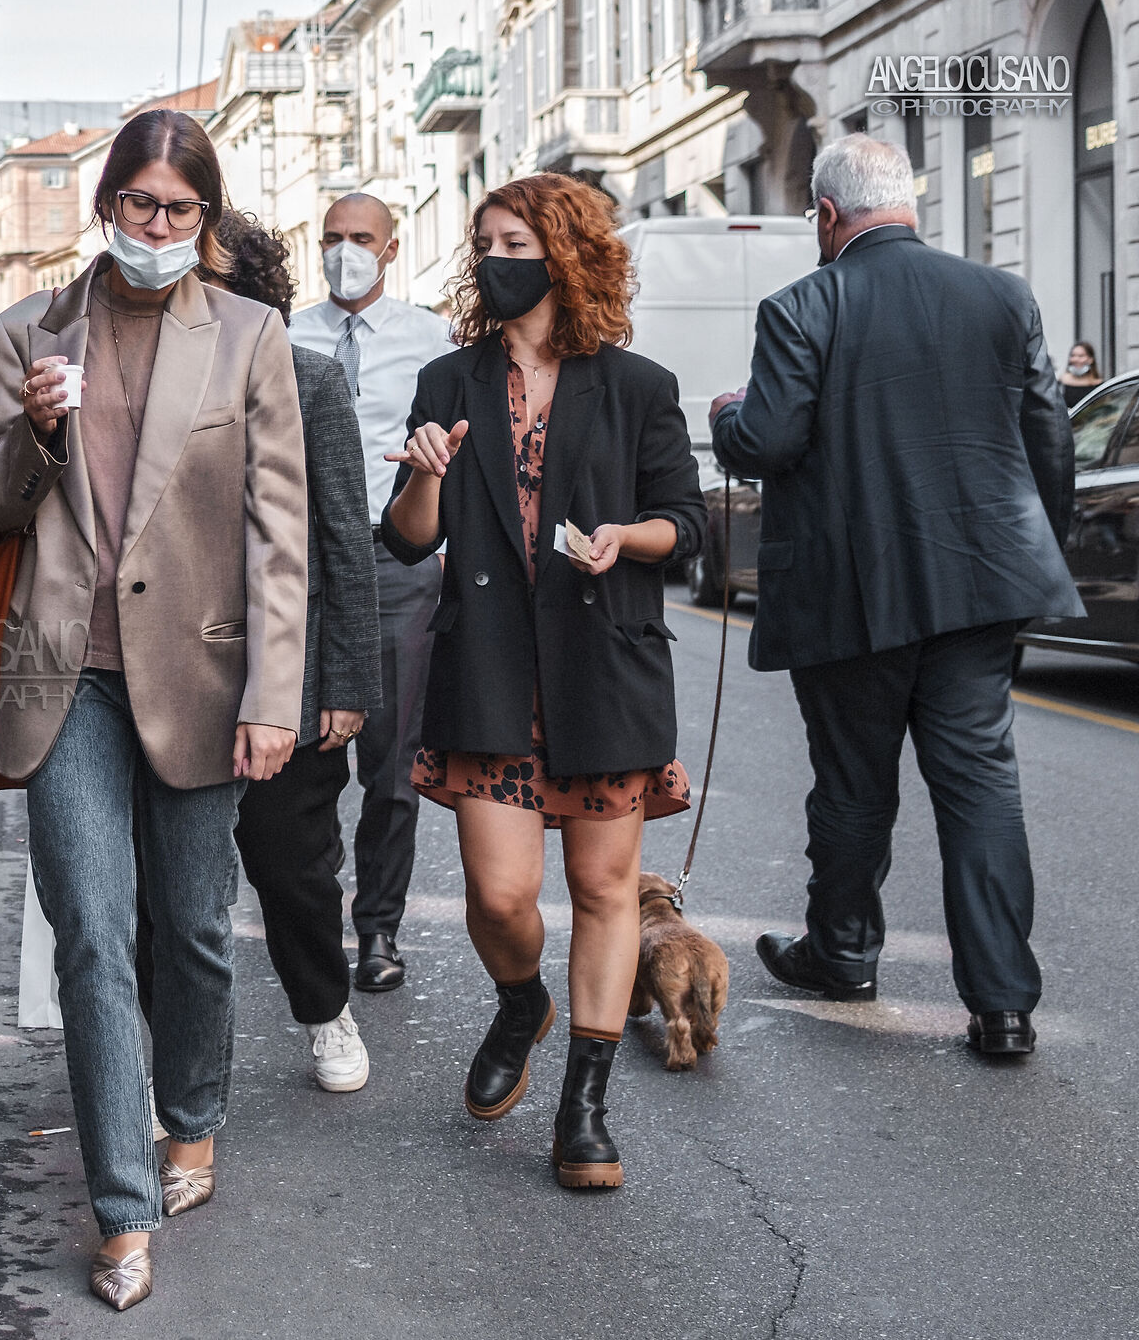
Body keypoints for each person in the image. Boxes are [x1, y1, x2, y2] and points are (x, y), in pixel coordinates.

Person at [0, 109, 307, 1310]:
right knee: (95, 935)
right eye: (139, 205)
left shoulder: (251, 336)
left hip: (203, 677)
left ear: (204, 219)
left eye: (180, 210)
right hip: (68, 678)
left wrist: (277, 694)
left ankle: (193, 1118)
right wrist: (37, 430)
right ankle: (122, 1205)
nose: (157, 228)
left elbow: (280, 535)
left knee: (198, 930)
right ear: (104, 206)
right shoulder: (29, 330)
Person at [709, 134, 1080, 1058]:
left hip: (851, 598)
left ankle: (843, 953)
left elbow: (768, 439)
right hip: (980, 587)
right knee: (981, 788)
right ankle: (1002, 1005)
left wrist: (725, 415)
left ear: (826, 216)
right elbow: (1049, 441)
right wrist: (1035, 559)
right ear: (908, 205)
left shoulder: (804, 305)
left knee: (851, 787)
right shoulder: (1003, 295)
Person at [382, 173, 705, 1192]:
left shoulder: (638, 386)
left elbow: (684, 525)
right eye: (485, 241)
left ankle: (586, 1104)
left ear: (563, 253)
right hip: (488, 666)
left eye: (513, 238)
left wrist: (626, 535)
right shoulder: (450, 381)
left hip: (603, 662)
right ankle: (522, 1001)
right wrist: (427, 469)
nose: (493, 256)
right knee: (499, 892)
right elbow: (404, 538)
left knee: (605, 889)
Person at [146, 210, 380, 1096]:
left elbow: (343, 538)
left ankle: (327, 1011)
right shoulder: (152, 382)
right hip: (176, 668)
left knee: (293, 869)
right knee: (170, 879)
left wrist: (348, 679)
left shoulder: (312, 381)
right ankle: (174, 1047)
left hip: (292, 672)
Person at [287, 192, 456, 994]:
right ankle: (312, 913)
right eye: (331, 238)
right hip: (307, 568)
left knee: (391, 764)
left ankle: (379, 927)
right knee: (308, 752)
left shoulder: (431, 341)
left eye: (360, 238)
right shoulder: (285, 335)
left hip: (397, 562)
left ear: (392, 249)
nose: (344, 251)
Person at [1060, 340, 1102, 409]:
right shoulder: (1061, 383)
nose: (1076, 359)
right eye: (1073, 355)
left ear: (1091, 359)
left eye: (1081, 356)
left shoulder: (1099, 385)